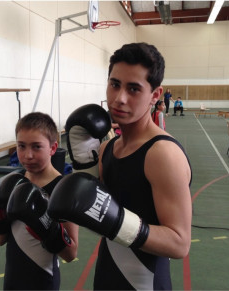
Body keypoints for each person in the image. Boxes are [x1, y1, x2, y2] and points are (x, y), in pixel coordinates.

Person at [48, 42, 192, 290]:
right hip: (106, 276)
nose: (119, 98)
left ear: (155, 95)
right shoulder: (107, 148)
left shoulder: (163, 154)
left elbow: (179, 243)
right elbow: (93, 213)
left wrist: (119, 223)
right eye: (115, 84)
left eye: (134, 89)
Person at [0, 112, 78, 290]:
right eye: (21, 146)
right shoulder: (12, 183)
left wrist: (47, 227)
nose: (28, 155)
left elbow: (70, 254)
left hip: (44, 281)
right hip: (12, 280)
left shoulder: (63, 190)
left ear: (53, 148)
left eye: (37, 147)